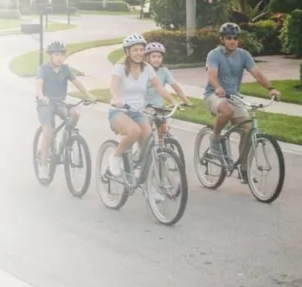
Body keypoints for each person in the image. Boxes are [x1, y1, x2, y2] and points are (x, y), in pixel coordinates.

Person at [203, 23, 281, 183]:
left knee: (247, 130)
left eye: (235, 38)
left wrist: (271, 88)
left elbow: (257, 74)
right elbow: (212, 75)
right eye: (229, 38)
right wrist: (218, 87)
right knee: (227, 110)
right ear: (222, 39)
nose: (232, 41)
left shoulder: (244, 55)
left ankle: (244, 170)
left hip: (234, 96)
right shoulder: (214, 54)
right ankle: (215, 138)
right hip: (214, 94)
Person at [107, 33, 177, 181]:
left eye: (141, 49)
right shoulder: (119, 68)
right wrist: (117, 99)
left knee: (148, 143)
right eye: (135, 50)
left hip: (138, 111)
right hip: (119, 111)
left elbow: (159, 88)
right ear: (127, 52)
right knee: (134, 131)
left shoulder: (147, 68)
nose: (139, 53)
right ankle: (115, 156)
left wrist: (173, 101)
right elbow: (113, 86)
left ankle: (148, 184)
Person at [35, 40, 92, 180]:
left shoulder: (66, 69)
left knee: (74, 114)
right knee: (48, 130)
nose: (59, 58)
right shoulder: (43, 69)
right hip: (45, 103)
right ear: (50, 56)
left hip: (59, 102)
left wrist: (89, 95)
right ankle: (43, 167)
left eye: (61, 55)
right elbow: (38, 85)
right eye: (56, 55)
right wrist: (42, 96)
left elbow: (76, 82)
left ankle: (65, 141)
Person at [142, 42, 189, 140]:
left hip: (158, 106)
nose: (156, 59)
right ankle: (141, 151)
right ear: (147, 58)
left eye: (159, 57)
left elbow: (175, 87)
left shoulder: (164, 71)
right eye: (153, 56)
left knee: (162, 130)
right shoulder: (144, 71)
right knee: (146, 132)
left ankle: (161, 150)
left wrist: (186, 101)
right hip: (145, 105)